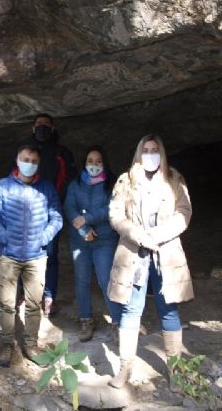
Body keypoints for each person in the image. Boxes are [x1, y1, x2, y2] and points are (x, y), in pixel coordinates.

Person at [107, 134, 194, 389]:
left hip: (165, 252)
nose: (150, 154)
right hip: (135, 252)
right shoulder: (126, 180)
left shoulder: (174, 179)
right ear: (138, 153)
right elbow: (115, 214)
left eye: (155, 149)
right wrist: (137, 235)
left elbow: (184, 212)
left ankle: (175, 370)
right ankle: (124, 369)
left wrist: (157, 235)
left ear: (162, 152)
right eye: (145, 150)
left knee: (168, 310)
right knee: (131, 311)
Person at [0, 144, 63, 367]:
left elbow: (56, 217)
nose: (28, 163)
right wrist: (5, 238)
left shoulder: (47, 188)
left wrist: (44, 238)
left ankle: (30, 344)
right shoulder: (2, 186)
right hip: (8, 255)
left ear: (38, 164)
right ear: (17, 160)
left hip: (36, 257)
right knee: (6, 303)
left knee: (33, 303)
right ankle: (6, 343)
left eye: (33, 160)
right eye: (24, 159)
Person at [64, 146, 121, 342]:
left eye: (98, 161)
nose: (94, 165)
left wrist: (87, 218)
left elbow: (112, 208)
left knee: (106, 279)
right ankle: (86, 320)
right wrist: (83, 230)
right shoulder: (75, 183)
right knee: (82, 280)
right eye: (90, 161)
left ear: (104, 163)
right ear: (84, 162)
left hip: (104, 239)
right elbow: (69, 208)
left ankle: (117, 322)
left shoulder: (112, 184)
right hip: (79, 240)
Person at [28, 113, 75, 316]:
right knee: (26, 254)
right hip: (27, 211)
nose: (42, 127)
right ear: (33, 128)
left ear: (53, 128)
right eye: (39, 124)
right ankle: (26, 295)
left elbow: (69, 179)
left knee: (50, 256)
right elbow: (16, 176)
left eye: (46, 125)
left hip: (51, 210)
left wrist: (57, 200)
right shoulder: (26, 152)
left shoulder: (61, 152)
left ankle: (49, 297)